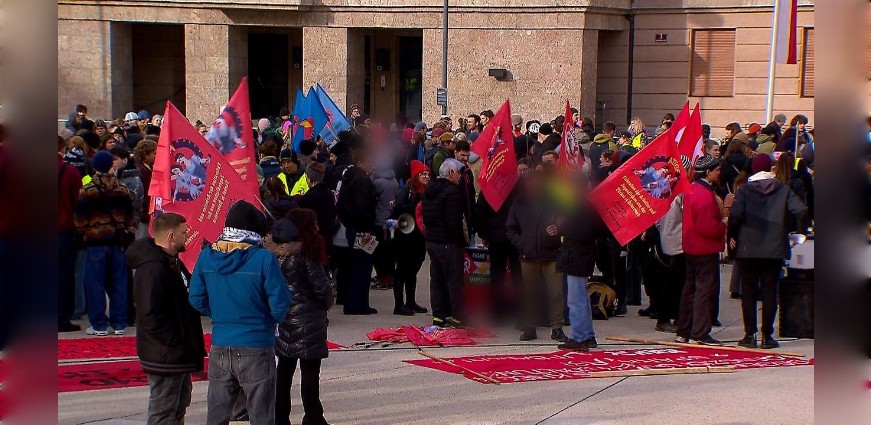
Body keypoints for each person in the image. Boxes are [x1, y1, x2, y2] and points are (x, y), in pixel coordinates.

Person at [189, 200, 292, 425]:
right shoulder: (264, 258)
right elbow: (281, 301)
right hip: (256, 344)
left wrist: (218, 314)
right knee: (262, 415)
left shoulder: (207, 255)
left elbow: (196, 297)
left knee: (217, 414)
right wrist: (267, 321)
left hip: (221, 343)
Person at [126, 213, 206, 425]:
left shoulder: (172, 263)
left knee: (178, 406)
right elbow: (150, 315)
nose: (187, 236)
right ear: (171, 236)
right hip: (165, 355)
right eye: (184, 232)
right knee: (163, 411)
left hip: (177, 354)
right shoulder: (153, 269)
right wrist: (175, 341)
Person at [728, 154, 806, 349]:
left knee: (748, 293)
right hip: (775, 248)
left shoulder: (745, 190)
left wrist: (733, 236)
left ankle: (750, 334)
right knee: (770, 291)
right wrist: (794, 230)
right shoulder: (782, 189)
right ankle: (767, 336)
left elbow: (735, 215)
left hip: (748, 247)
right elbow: (801, 210)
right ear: (770, 167)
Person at [266, 211, 334, 425]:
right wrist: (328, 301)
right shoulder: (306, 256)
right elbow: (323, 291)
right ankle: (314, 418)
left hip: (285, 319)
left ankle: (280, 418)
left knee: (284, 373)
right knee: (310, 374)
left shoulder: (276, 256)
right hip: (308, 321)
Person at [75, 150, 136, 336]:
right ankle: (119, 323)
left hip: (95, 242)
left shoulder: (88, 190)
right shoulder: (122, 188)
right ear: (111, 165)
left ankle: (99, 324)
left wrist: (86, 231)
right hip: (117, 242)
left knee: (95, 284)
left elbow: (80, 219)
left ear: (95, 166)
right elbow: (129, 218)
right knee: (118, 283)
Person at [506, 171, 568, 342]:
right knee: (529, 293)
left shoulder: (554, 201)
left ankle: (557, 327)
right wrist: (522, 243)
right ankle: (530, 327)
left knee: (556, 294)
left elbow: (567, 219)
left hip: (551, 253)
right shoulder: (519, 203)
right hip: (528, 254)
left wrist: (559, 229)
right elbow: (510, 228)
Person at [675, 155, 726, 346]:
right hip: (704, 248)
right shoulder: (704, 195)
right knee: (704, 291)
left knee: (689, 290)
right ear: (708, 172)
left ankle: (684, 330)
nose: (719, 172)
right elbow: (708, 227)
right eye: (717, 170)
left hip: (691, 246)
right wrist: (723, 226)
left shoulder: (692, 190)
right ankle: (700, 333)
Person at [555, 177, 600, 351]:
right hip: (577, 255)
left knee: (576, 300)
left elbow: (583, 232)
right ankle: (587, 335)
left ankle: (580, 337)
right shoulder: (580, 205)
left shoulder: (584, 206)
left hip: (579, 256)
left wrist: (562, 226)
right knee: (580, 298)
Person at [421, 158, 467, 328]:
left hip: (433, 241)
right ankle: (458, 316)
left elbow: (427, 216)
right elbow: (453, 221)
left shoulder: (429, 190)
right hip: (448, 242)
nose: (460, 176)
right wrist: (458, 239)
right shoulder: (452, 192)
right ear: (451, 173)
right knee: (454, 281)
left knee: (437, 280)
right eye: (458, 172)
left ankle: (439, 315)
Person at [336, 149, 379, 315]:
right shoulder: (362, 180)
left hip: (352, 228)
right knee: (362, 267)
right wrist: (366, 228)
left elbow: (340, 206)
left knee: (355, 265)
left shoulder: (348, 178)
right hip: (362, 230)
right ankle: (358, 304)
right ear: (361, 162)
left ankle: (354, 302)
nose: (372, 164)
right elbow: (363, 208)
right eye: (369, 161)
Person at [390, 160, 431, 316]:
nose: (427, 176)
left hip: (418, 235)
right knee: (402, 269)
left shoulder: (426, 190)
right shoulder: (407, 190)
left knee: (413, 268)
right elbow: (399, 208)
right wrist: (417, 206)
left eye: (428, 174)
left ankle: (411, 301)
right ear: (416, 176)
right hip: (405, 234)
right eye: (423, 174)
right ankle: (399, 305)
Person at [59, 136, 83, 332]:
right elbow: (78, 202)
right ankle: (61, 319)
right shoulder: (71, 171)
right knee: (64, 277)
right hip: (63, 230)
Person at [371, 157, 400, 290]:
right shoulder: (394, 180)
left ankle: (382, 278)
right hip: (391, 221)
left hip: (379, 221)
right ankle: (390, 277)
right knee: (390, 250)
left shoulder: (377, 183)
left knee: (380, 251)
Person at [134, 139, 157, 238]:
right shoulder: (142, 171)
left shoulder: (147, 168)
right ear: (146, 154)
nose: (156, 156)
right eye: (154, 153)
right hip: (144, 212)